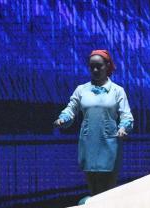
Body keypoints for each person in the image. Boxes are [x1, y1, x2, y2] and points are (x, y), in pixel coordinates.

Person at [53, 49, 134, 196]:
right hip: (89, 144)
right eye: (92, 67)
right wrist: (63, 119)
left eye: (99, 66)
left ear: (107, 66)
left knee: (108, 191)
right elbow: (71, 109)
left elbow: (126, 115)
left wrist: (123, 127)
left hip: (109, 144)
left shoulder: (117, 90)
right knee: (93, 189)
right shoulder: (81, 90)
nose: (95, 70)